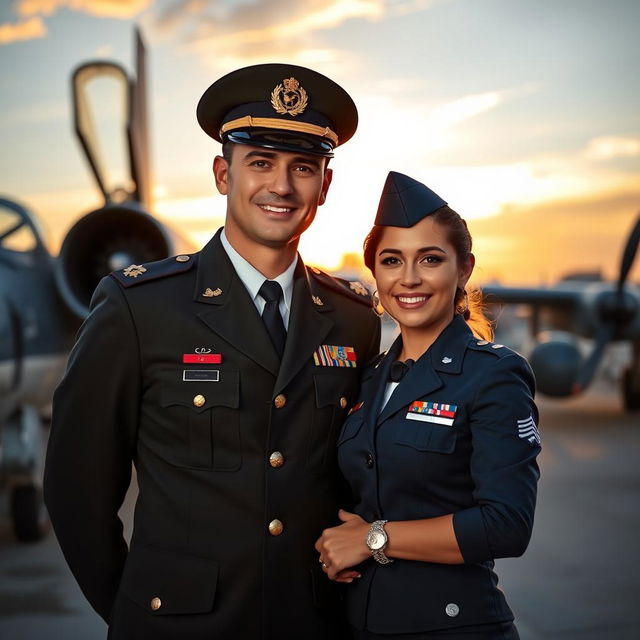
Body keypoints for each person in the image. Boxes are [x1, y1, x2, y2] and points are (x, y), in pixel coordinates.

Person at [44, 64, 381, 639]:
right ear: (223, 174)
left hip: (315, 624)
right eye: (260, 163)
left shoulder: (351, 318)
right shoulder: (138, 308)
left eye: (303, 167)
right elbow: (76, 489)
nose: (281, 186)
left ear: (325, 186)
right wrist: (136, 614)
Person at [315, 171, 541, 639]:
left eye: (431, 259)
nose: (409, 278)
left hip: (454, 626)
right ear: (375, 272)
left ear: (464, 269)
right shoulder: (370, 377)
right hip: (362, 622)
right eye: (392, 260)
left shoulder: (493, 375)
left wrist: (373, 538)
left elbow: (507, 524)